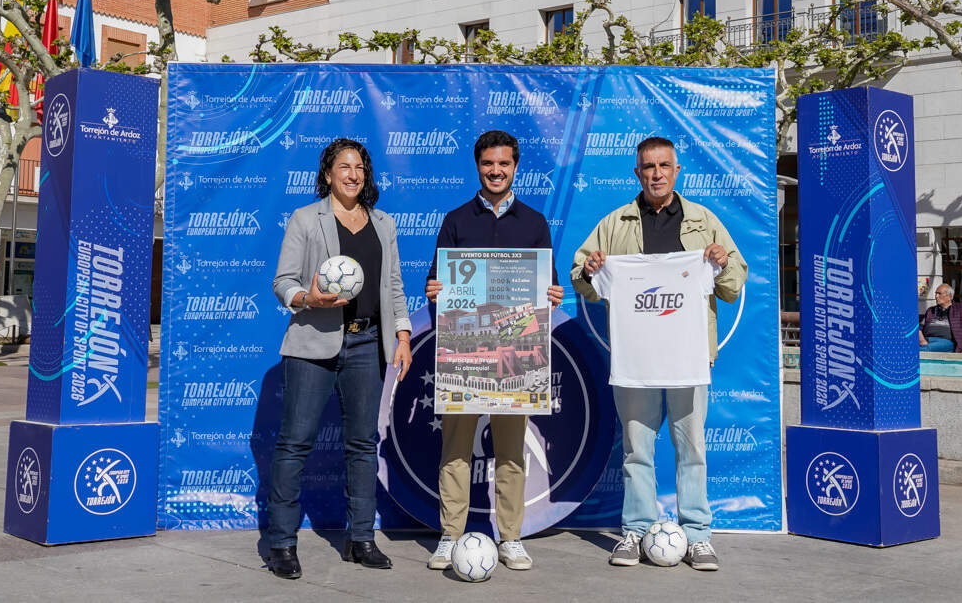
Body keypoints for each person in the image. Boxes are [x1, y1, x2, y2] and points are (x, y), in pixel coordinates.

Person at [571, 136, 746, 572]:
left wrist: (722, 262)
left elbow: (735, 282)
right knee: (637, 453)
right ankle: (634, 530)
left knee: (692, 451)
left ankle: (699, 535)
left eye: (663, 165)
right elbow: (581, 277)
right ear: (637, 173)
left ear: (676, 170)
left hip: (688, 359)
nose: (656, 174)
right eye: (647, 167)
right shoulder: (616, 222)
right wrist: (589, 271)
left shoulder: (703, 221)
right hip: (636, 362)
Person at [265, 138, 413, 579]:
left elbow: (394, 286)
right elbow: (282, 282)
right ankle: (281, 544)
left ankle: (361, 539)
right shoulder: (305, 219)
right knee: (295, 443)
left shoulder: (383, 223)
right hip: (314, 342)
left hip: (368, 343)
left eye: (360, 168)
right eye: (344, 166)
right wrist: (304, 297)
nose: (353, 174)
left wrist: (402, 336)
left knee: (364, 444)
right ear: (328, 173)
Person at [425, 130, 563, 572]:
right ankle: (450, 535)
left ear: (515, 167)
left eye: (504, 164)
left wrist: (552, 294)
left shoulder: (535, 222)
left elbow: (548, 285)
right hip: (465, 354)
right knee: (456, 451)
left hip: (517, 357)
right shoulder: (455, 220)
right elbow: (437, 284)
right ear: (477, 166)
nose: (496, 171)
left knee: (510, 452)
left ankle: (511, 538)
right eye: (488, 164)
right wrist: (434, 289)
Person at [920, 284, 962, 353]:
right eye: (936, 293)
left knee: (923, 350)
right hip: (926, 340)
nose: (936, 296)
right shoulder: (931, 310)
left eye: (939, 294)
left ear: (949, 296)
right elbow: (919, 329)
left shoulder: (961, 310)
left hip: (945, 342)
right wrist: (922, 341)